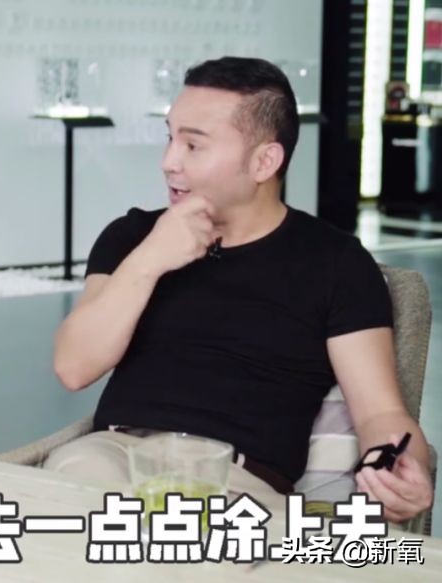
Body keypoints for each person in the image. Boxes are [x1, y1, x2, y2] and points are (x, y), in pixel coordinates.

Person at [49, 56, 433, 522]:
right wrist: (150, 259)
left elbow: (380, 414)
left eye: (193, 145)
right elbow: (74, 367)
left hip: (237, 482)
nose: (168, 162)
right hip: (115, 457)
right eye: (171, 138)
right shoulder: (131, 237)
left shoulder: (336, 264)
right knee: (78, 495)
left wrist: (404, 468)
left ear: (264, 161)